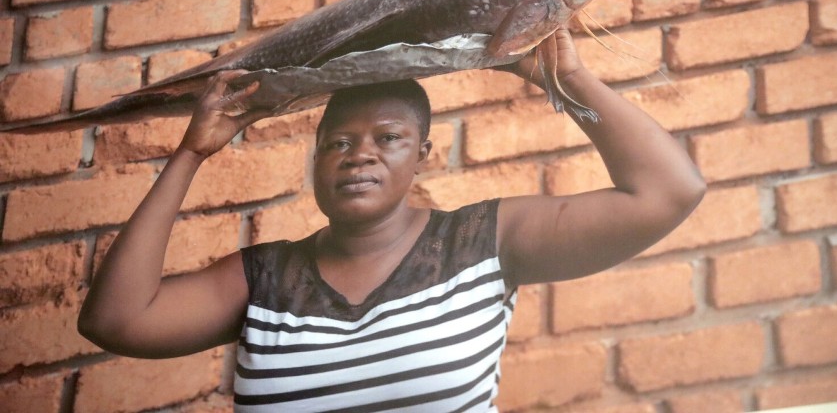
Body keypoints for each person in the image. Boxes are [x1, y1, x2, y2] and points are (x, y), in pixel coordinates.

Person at [78, 28, 706, 411]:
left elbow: (668, 192)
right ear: (317, 158)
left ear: (422, 156)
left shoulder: (482, 244)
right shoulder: (263, 280)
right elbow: (116, 322)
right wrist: (192, 153)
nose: (360, 155)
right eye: (339, 142)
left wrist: (566, 80)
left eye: (389, 138)